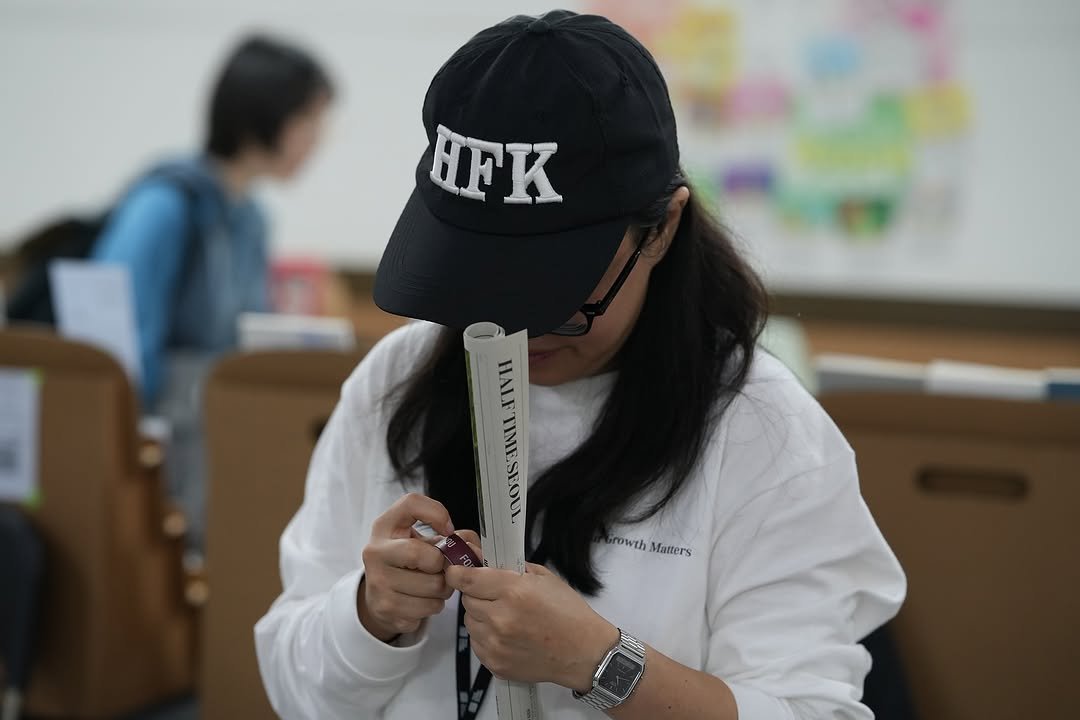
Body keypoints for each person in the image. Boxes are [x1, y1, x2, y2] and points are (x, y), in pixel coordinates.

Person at [255, 10, 905, 719]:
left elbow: (813, 710)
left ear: (661, 230)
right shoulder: (395, 379)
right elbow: (292, 686)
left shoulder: (764, 434)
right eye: (474, 284)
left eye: (557, 296)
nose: (514, 328)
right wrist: (369, 614)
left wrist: (600, 663)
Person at [92, 34, 333, 549]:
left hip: (211, 445)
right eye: (309, 121)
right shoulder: (164, 204)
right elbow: (113, 339)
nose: (318, 140)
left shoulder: (251, 218)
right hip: (154, 456)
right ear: (264, 113)